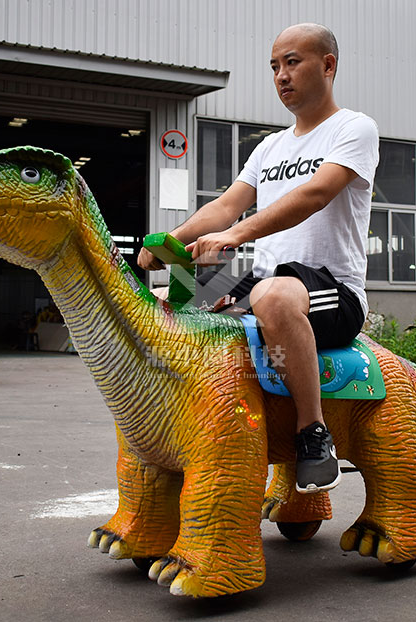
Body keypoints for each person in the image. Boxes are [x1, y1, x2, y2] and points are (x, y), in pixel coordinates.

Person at [137, 23, 379, 494]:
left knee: (270, 294)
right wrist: (172, 240)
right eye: (274, 67)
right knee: (173, 301)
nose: (281, 76)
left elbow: (316, 193)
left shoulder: (354, 128)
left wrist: (234, 236)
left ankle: (313, 434)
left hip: (331, 290)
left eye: (293, 62)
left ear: (328, 65)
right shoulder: (269, 147)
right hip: (264, 282)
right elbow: (227, 205)